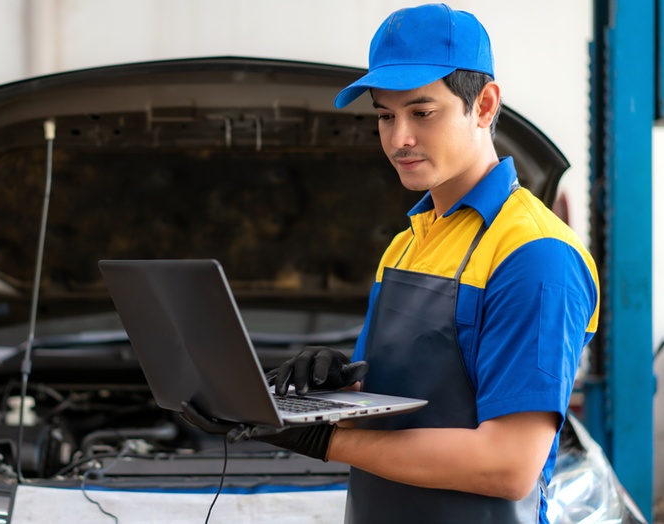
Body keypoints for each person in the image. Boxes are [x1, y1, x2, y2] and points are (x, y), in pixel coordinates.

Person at [181, 3, 599, 523]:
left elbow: (508, 464)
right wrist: (322, 396)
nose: (399, 138)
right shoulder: (407, 243)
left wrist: (324, 441)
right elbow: (387, 412)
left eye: (422, 113)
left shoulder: (535, 257)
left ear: (485, 105)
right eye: (384, 115)